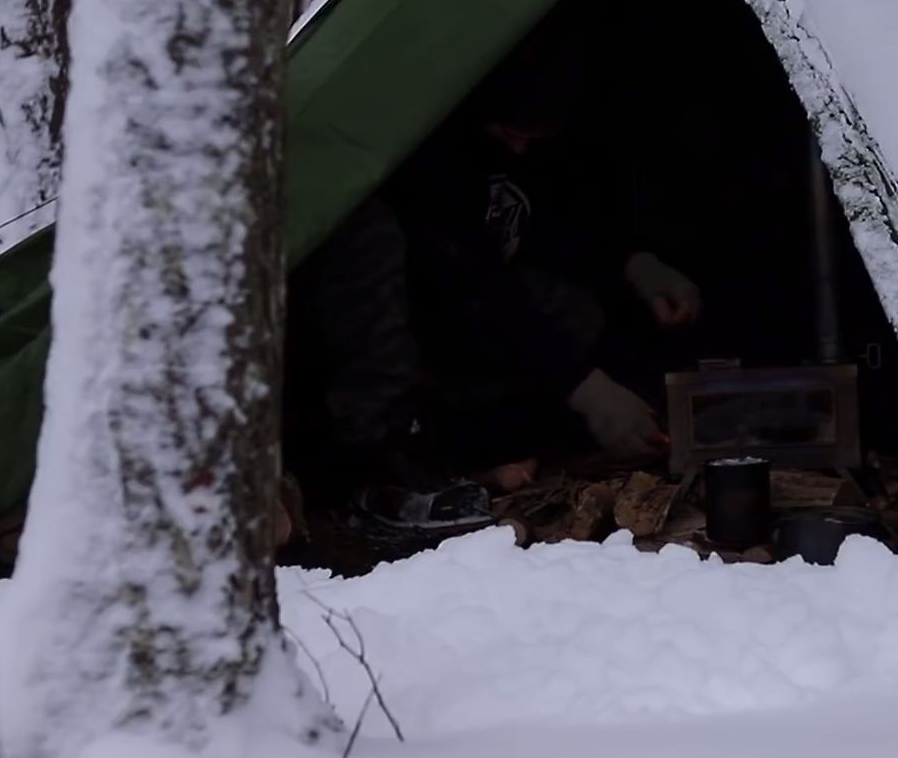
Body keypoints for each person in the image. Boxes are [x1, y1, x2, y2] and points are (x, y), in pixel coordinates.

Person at [283, 83, 702, 528]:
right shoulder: (430, 155)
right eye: (508, 134)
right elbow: (468, 282)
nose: (520, 149)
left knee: (567, 309)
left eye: (533, 139)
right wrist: (584, 387)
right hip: (419, 319)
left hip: (485, 323)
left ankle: (523, 443)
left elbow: (572, 221)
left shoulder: (549, 149)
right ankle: (377, 478)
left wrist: (636, 263)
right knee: (381, 288)